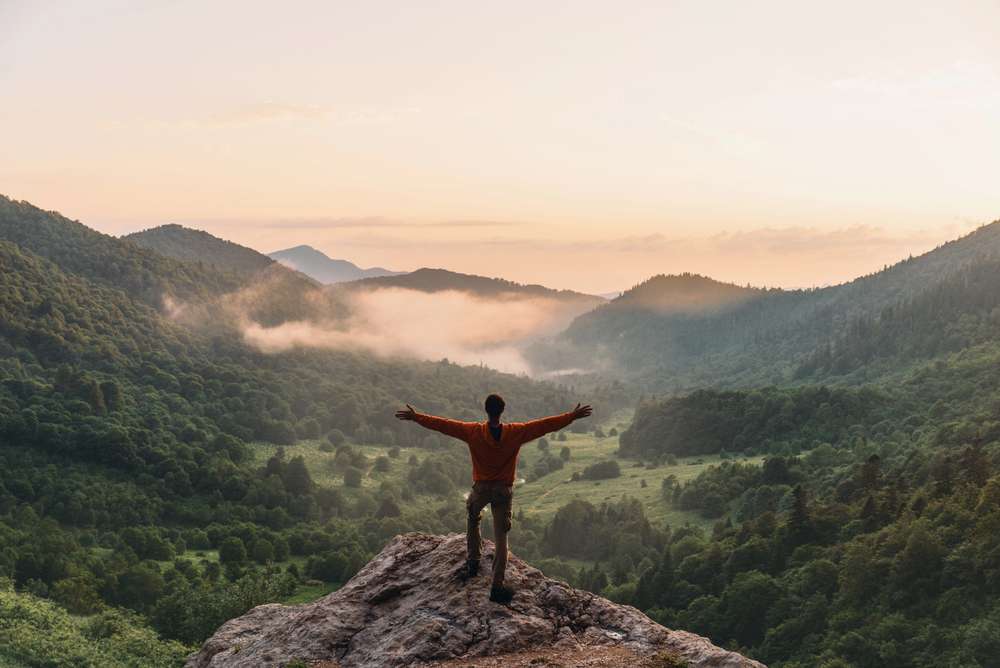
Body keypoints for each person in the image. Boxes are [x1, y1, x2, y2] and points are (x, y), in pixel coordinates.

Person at [395, 394, 592, 603]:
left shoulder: (473, 431)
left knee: (472, 516)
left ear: (486, 410)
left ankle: (473, 562)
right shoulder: (516, 432)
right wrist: (571, 416)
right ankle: (497, 587)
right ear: (502, 411)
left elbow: (444, 425)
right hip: (502, 492)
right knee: (501, 539)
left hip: (480, 489)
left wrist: (417, 417)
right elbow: (545, 426)